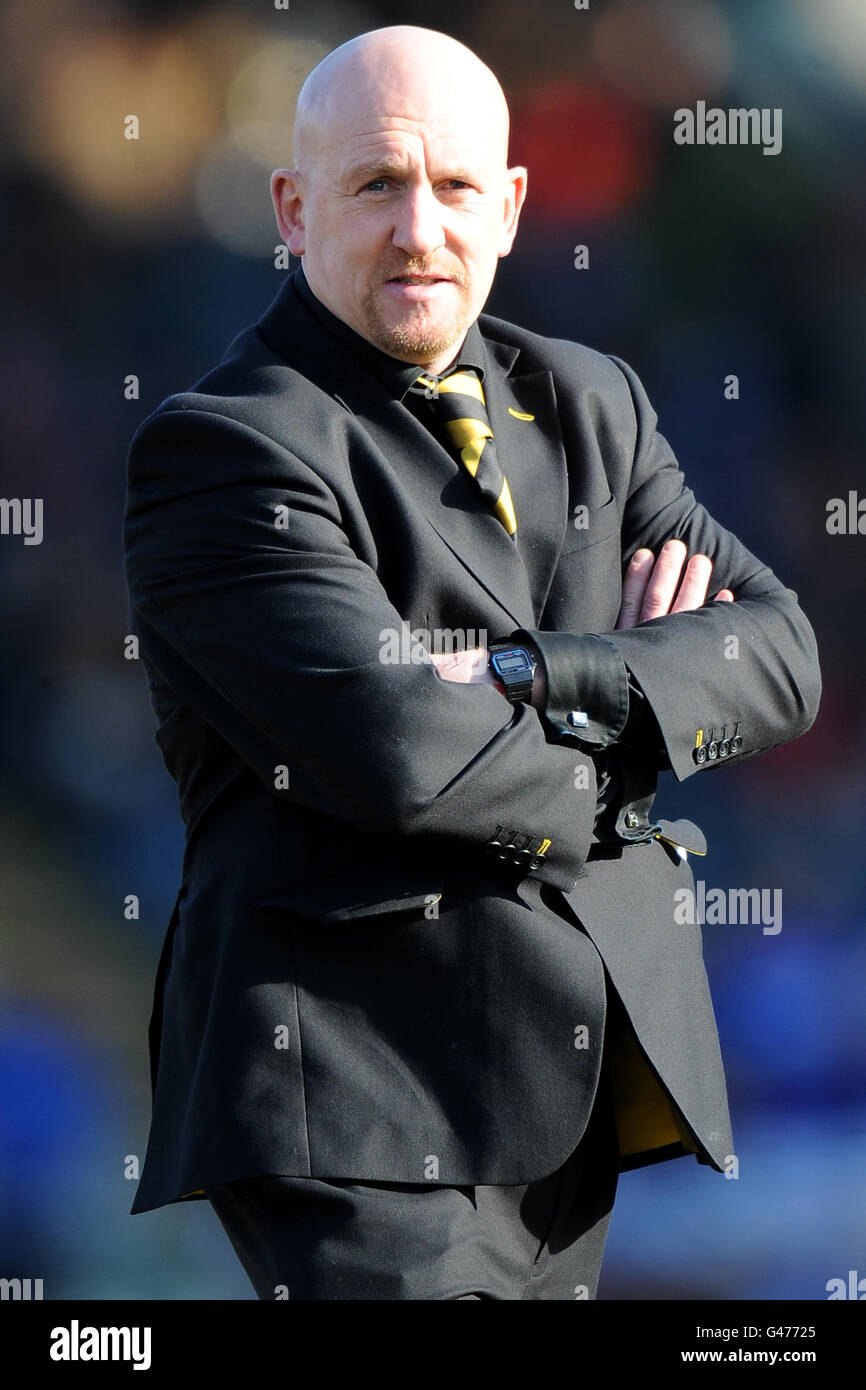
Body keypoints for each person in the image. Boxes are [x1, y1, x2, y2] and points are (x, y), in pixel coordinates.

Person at [123, 25, 821, 1300]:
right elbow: (396, 754)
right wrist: (641, 704)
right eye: (376, 183)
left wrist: (541, 671)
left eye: (453, 188)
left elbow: (776, 655)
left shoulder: (589, 400)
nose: (418, 230)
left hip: (569, 1100)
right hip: (358, 1104)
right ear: (292, 207)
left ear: (506, 208)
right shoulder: (224, 449)